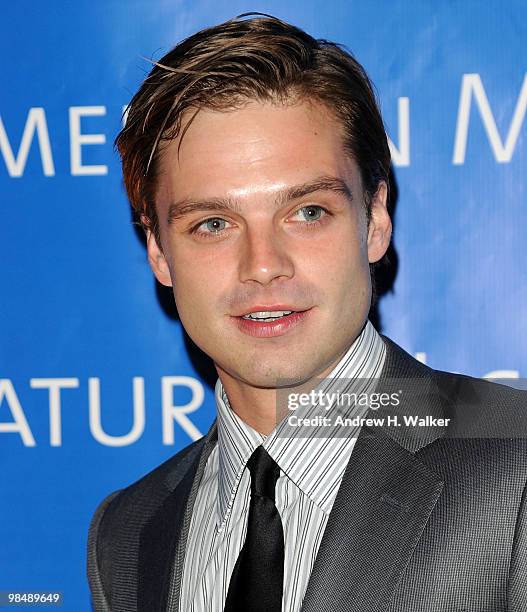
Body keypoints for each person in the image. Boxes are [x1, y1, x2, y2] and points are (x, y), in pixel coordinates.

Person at [87, 14, 527, 612]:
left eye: (308, 212)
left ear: (375, 220)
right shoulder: (127, 533)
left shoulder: (515, 469)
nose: (263, 265)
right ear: (159, 252)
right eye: (213, 224)